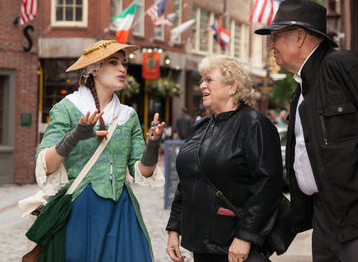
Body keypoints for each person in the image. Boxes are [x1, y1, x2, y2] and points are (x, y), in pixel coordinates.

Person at [254, 0, 358, 261]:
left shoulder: (343, 66)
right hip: (327, 219)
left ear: (300, 36)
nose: (271, 45)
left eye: (276, 36)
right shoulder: (302, 88)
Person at [24, 39, 165, 262]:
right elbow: (46, 164)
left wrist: (153, 145)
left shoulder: (128, 115)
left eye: (124, 63)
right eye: (114, 62)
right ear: (94, 69)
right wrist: (75, 136)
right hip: (80, 209)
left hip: (122, 210)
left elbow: (142, 172)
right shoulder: (67, 109)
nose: (122, 69)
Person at [166, 55, 283, 262]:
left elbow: (268, 185)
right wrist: (174, 229)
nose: (202, 85)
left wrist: (245, 236)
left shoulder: (254, 124)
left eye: (209, 80)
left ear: (232, 87)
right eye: (201, 80)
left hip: (235, 245)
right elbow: (186, 182)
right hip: (202, 244)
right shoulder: (201, 126)